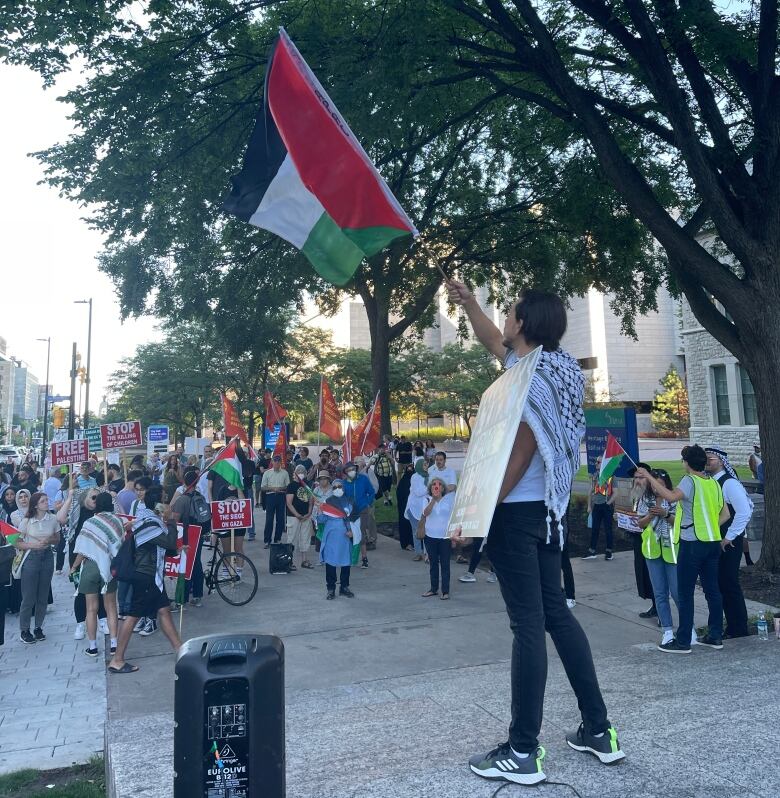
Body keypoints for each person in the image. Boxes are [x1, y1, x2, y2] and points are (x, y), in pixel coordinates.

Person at [448, 279, 624, 785]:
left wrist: (477, 514)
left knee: (528, 625)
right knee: (556, 618)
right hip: (547, 516)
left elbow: (522, 449)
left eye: (508, 313)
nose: (503, 322)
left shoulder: (534, 377)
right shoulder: (551, 367)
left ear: (523, 323)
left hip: (517, 514)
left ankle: (523, 749)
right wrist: (472, 305)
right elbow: (492, 341)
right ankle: (598, 730)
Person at [635, 445, 729, 654]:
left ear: (686, 463)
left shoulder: (690, 480)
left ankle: (683, 641)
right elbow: (726, 514)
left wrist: (649, 477)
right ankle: (715, 635)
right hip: (712, 542)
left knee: (685, 593)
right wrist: (710, 525)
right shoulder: (713, 482)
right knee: (713, 591)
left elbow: (670, 497)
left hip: (692, 542)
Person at [108, 485, 182, 673]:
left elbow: (168, 549)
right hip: (146, 577)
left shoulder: (150, 519)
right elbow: (170, 542)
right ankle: (117, 660)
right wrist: (172, 521)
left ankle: (180, 651)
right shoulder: (150, 522)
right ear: (159, 504)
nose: (169, 503)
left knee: (163, 611)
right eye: (166, 500)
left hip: (153, 576)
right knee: (133, 616)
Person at [633, 468, 690, 648]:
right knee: (659, 593)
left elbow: (679, 523)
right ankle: (667, 630)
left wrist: (665, 514)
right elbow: (640, 523)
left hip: (672, 551)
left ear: (666, 485)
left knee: (677, 592)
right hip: (652, 551)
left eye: (661, 485)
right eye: (655, 484)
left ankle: (688, 628)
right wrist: (651, 514)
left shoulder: (675, 499)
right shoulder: (645, 500)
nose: (657, 488)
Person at [705, 447, 751, 639]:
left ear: (722, 461)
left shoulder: (729, 483)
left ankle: (738, 628)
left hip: (729, 542)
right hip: (717, 540)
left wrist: (730, 537)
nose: (708, 462)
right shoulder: (710, 483)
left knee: (729, 583)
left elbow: (745, 510)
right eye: (706, 459)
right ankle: (731, 625)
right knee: (720, 583)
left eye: (711, 459)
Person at [70, 492, 123, 657]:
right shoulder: (117, 521)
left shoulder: (89, 522)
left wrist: (74, 567)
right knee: (111, 607)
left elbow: (82, 550)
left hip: (91, 568)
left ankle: (92, 647)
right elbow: (118, 545)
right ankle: (114, 645)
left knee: (91, 609)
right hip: (108, 569)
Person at [57, 481, 109, 639]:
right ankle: (80, 624)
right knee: (80, 590)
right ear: (85, 498)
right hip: (77, 554)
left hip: (98, 554)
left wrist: (109, 496)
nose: (96, 500)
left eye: (98, 498)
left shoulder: (102, 512)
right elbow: (60, 518)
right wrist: (70, 497)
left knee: (101, 588)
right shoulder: (77, 511)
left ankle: (102, 619)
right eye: (94, 497)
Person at [15, 491, 60, 644]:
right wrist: (32, 545)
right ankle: (24, 629)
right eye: (43, 501)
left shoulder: (53, 518)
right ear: (35, 505)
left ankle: (38, 627)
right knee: (28, 597)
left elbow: (57, 540)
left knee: (43, 596)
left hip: (47, 557)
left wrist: (48, 539)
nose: (47, 503)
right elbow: (17, 542)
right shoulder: (26, 521)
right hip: (31, 558)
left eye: (47, 500)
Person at [170, 471, 208, 607]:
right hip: (199, 535)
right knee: (197, 564)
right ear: (196, 482)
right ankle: (197, 595)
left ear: (184, 482)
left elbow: (174, 519)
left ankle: (182, 599)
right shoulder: (200, 496)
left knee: (185, 566)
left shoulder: (182, 499)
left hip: (186, 537)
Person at [319, 479, 355, 600]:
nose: (337, 489)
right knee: (330, 562)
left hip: (345, 535)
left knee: (346, 561)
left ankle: (344, 587)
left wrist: (352, 531)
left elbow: (354, 518)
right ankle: (331, 588)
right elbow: (321, 520)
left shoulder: (349, 501)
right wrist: (320, 511)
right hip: (331, 536)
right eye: (334, 487)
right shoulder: (328, 502)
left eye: (340, 486)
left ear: (343, 488)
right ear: (332, 489)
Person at [419, 477, 455, 600]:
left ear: (443, 488)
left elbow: (453, 518)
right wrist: (433, 500)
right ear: (430, 487)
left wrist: (454, 537)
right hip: (430, 537)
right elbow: (425, 513)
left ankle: (445, 591)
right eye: (434, 484)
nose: (436, 486)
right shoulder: (427, 499)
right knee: (433, 564)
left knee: (445, 564)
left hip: (445, 537)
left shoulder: (449, 500)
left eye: (439, 484)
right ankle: (433, 589)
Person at [343, 460, 376, 567]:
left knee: (360, 533)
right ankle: (351, 557)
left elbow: (371, 492)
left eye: (352, 469)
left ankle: (364, 558)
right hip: (349, 512)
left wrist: (367, 503)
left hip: (362, 510)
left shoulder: (363, 479)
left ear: (356, 469)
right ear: (345, 472)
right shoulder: (344, 483)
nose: (351, 471)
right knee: (349, 533)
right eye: (348, 470)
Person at [582, 458, 615, 560]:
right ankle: (592, 551)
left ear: (603, 464)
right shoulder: (595, 475)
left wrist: (608, 502)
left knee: (608, 529)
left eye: (598, 462)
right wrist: (589, 505)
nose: (596, 463)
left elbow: (616, 492)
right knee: (594, 529)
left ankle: (609, 551)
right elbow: (590, 491)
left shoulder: (611, 475)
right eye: (596, 462)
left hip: (606, 506)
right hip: (596, 505)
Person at [286, 465, 314, 569]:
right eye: (299, 471)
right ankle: (289, 561)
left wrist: (309, 513)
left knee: (305, 538)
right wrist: (297, 514)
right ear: (295, 473)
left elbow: (311, 501)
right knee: (291, 538)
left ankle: (304, 560)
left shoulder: (307, 485)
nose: (301, 473)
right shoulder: (291, 485)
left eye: (303, 471)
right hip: (293, 517)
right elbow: (289, 503)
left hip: (306, 516)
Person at [261, 455, 289, 548]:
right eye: (275, 461)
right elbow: (263, 487)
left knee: (280, 519)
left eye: (278, 461)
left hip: (281, 496)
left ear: (280, 462)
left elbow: (287, 486)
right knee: (269, 520)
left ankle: (277, 539)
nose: (276, 463)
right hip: (270, 496)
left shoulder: (285, 473)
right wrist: (273, 488)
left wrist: (280, 488)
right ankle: (267, 540)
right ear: (272, 462)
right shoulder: (267, 473)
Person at [405, 459, 430, 562]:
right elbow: (418, 492)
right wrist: (429, 488)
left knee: (426, 531)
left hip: (425, 508)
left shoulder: (429, 476)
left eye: (427, 464)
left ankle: (427, 554)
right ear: (419, 465)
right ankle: (418, 553)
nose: (426, 466)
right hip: (414, 507)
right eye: (424, 464)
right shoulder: (415, 477)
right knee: (416, 531)